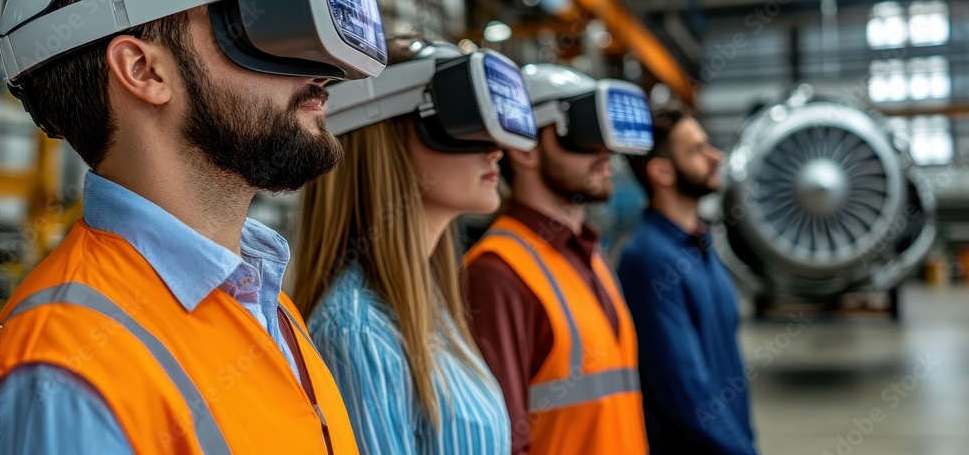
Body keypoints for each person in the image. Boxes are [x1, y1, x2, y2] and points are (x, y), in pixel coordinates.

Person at [0, 0, 386, 454]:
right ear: (144, 71)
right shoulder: (60, 378)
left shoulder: (262, 302)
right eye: (254, 25)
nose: (321, 73)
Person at [292, 37, 525, 455]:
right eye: (463, 122)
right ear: (387, 136)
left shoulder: (431, 301)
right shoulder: (358, 330)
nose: (495, 151)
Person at [464, 64, 649, 455]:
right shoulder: (496, 272)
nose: (605, 153)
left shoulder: (592, 256)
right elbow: (506, 443)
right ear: (524, 149)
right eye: (584, 135)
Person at [618, 102, 758, 454]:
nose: (716, 157)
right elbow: (686, 389)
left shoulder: (701, 245)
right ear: (662, 172)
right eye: (697, 150)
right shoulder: (649, 260)